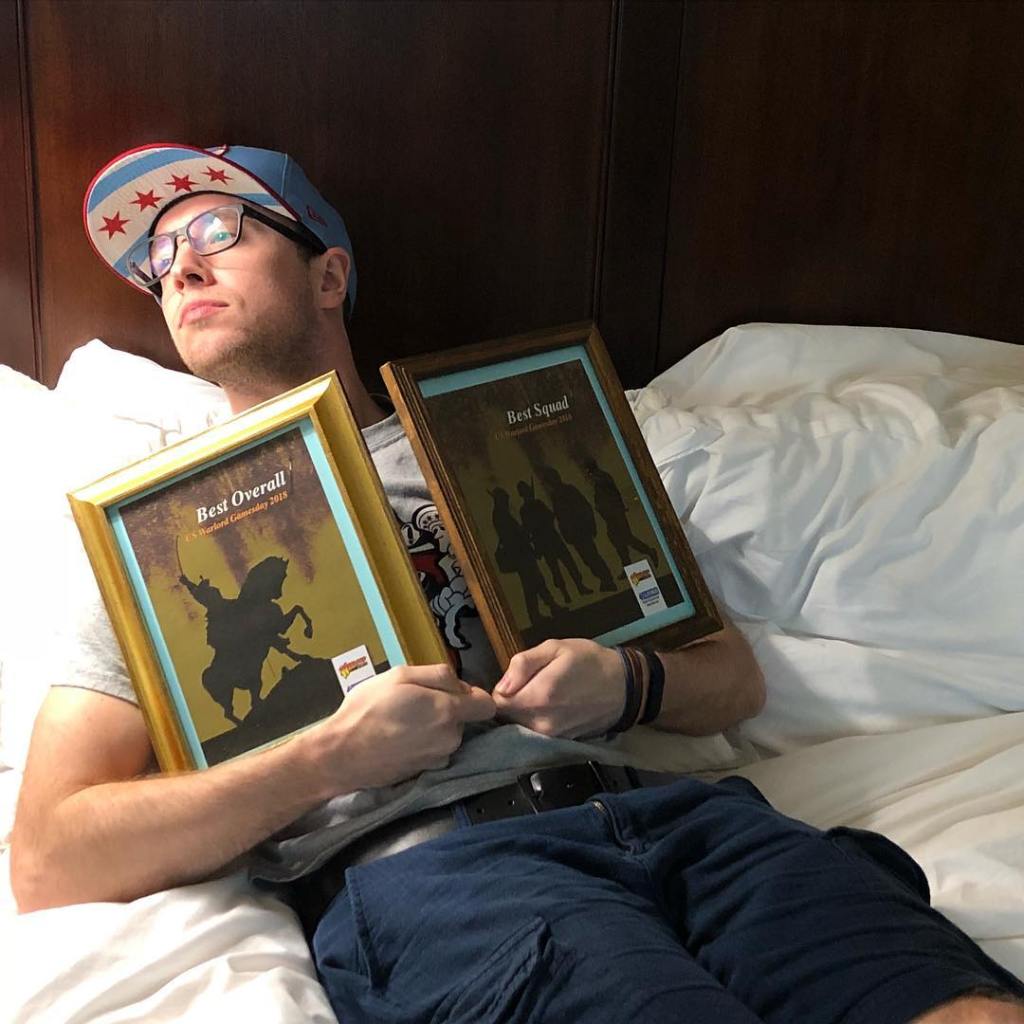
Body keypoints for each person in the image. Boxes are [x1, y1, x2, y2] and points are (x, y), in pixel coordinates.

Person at [11, 142, 1024, 1024]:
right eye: (158, 260)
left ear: (329, 274)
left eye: (216, 229)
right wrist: (326, 759)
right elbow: (50, 857)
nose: (180, 266)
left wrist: (629, 683)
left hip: (687, 819)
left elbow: (732, 679)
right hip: (441, 873)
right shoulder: (160, 538)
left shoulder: (503, 433)